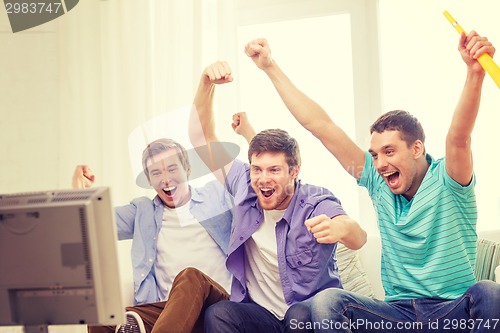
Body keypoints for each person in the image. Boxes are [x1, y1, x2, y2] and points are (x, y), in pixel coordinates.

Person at [243, 31, 500, 333]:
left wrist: (474, 73)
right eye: (374, 155)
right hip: (398, 317)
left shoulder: (449, 180)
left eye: (389, 152)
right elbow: (322, 127)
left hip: (453, 312)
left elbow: (459, 137)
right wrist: (270, 67)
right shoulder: (377, 182)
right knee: (328, 302)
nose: (379, 164)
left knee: (490, 292)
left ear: (417, 148)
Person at [188, 60, 368, 333]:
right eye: (257, 169)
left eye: (274, 170)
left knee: (297, 315)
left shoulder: (315, 200)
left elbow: (358, 237)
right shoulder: (243, 184)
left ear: (294, 171)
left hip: (306, 315)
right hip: (260, 316)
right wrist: (205, 84)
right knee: (219, 313)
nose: (263, 178)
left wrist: (338, 227)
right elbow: (202, 138)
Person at [72, 137, 237, 333]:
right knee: (102, 320)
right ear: (150, 180)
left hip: (218, 305)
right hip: (169, 313)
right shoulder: (144, 211)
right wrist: (78, 192)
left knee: (190, 277)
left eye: (172, 169)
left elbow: (254, 193)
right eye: (156, 172)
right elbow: (91, 223)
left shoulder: (216, 196)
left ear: (188, 169)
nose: (166, 179)